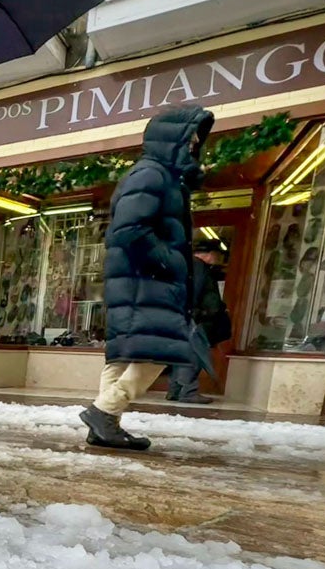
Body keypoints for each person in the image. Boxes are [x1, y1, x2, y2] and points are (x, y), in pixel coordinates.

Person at [80, 104, 215, 450]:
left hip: (139, 280)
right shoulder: (152, 175)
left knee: (126, 353)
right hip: (147, 281)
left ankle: (105, 425)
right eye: (191, 135)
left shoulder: (159, 176)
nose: (196, 142)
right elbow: (128, 230)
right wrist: (173, 263)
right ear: (171, 137)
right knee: (162, 350)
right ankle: (103, 411)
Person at [167, 237, 231, 404]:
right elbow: (198, 294)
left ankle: (175, 390)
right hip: (195, 319)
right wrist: (204, 312)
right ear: (211, 254)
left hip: (181, 317)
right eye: (218, 254)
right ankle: (188, 391)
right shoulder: (198, 267)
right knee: (194, 355)